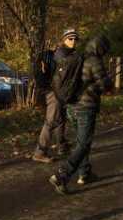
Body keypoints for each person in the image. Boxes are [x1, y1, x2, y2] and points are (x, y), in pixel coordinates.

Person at [49, 35, 113, 194]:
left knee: (81, 141)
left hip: (71, 106)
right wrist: (108, 81)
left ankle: (84, 174)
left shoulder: (77, 58)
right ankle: (62, 174)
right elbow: (104, 85)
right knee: (84, 143)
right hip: (86, 107)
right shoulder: (94, 61)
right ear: (100, 48)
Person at [33, 28, 79, 163]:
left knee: (61, 118)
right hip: (54, 92)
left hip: (60, 92)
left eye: (75, 39)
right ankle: (39, 152)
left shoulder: (68, 53)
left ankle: (62, 146)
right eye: (70, 38)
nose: (73, 41)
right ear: (64, 40)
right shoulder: (62, 54)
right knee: (51, 121)